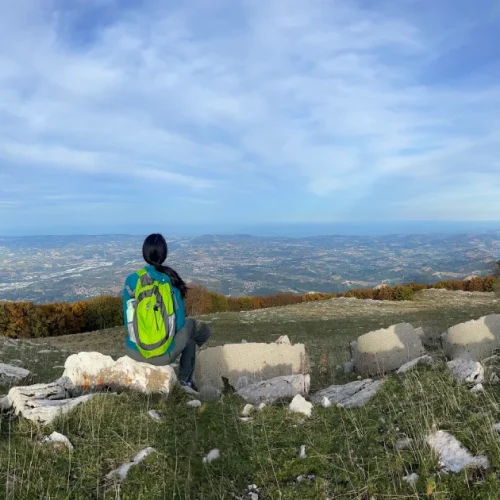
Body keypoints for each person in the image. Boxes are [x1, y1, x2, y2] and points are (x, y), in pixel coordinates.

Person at [123, 233, 211, 392]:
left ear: (144, 253)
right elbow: (179, 324)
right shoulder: (171, 280)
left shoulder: (131, 280)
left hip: (134, 350)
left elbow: (127, 320)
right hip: (163, 355)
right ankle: (185, 381)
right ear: (164, 254)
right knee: (192, 328)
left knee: (190, 332)